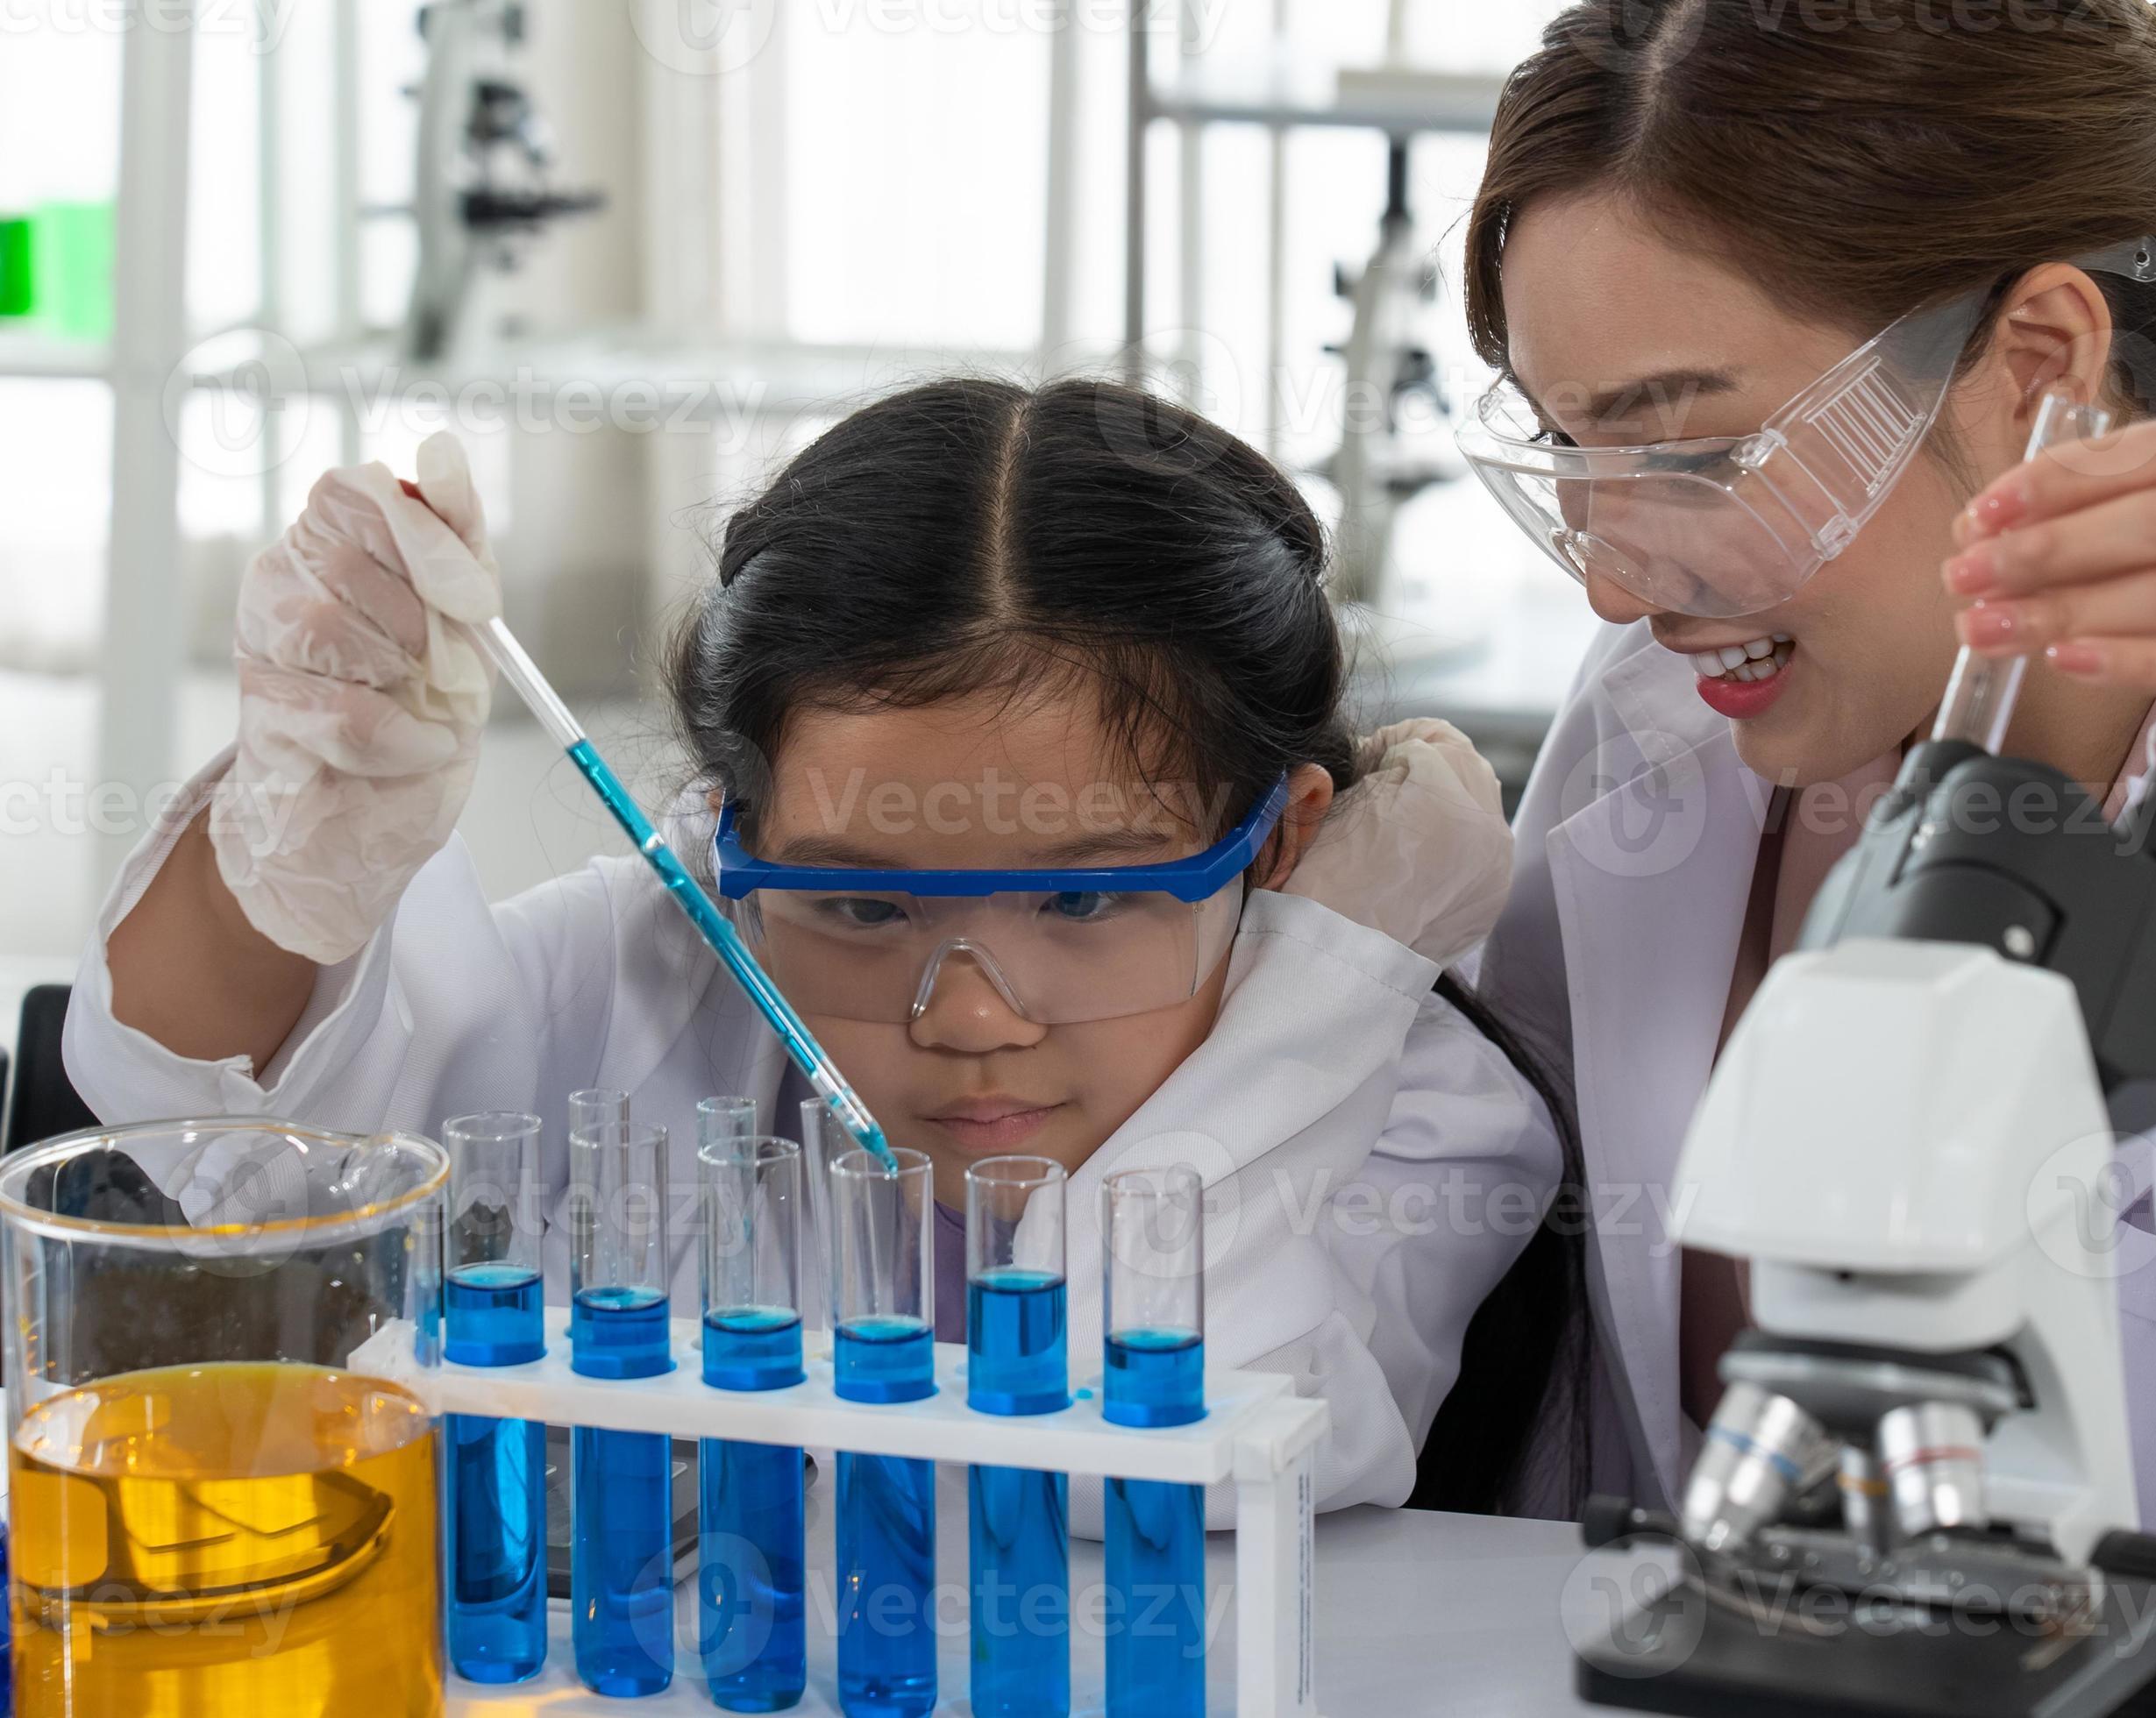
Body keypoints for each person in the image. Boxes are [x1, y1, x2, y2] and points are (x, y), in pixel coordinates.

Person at [1458, 1, 2156, 1712]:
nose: (1614, 579)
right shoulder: (1664, 727)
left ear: (2039, 359)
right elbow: (1583, 1472)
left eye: (1690, 448)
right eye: (1575, 456)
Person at [68, 377, 1590, 1521]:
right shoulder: (678, 968)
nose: (974, 1019)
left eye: (1085, 902)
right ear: (728, 834)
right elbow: (246, 1151)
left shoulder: (1416, 1105)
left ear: (1280, 840)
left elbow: (1120, 1465)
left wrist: (1326, 977)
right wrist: (287, 852)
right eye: (864, 905)